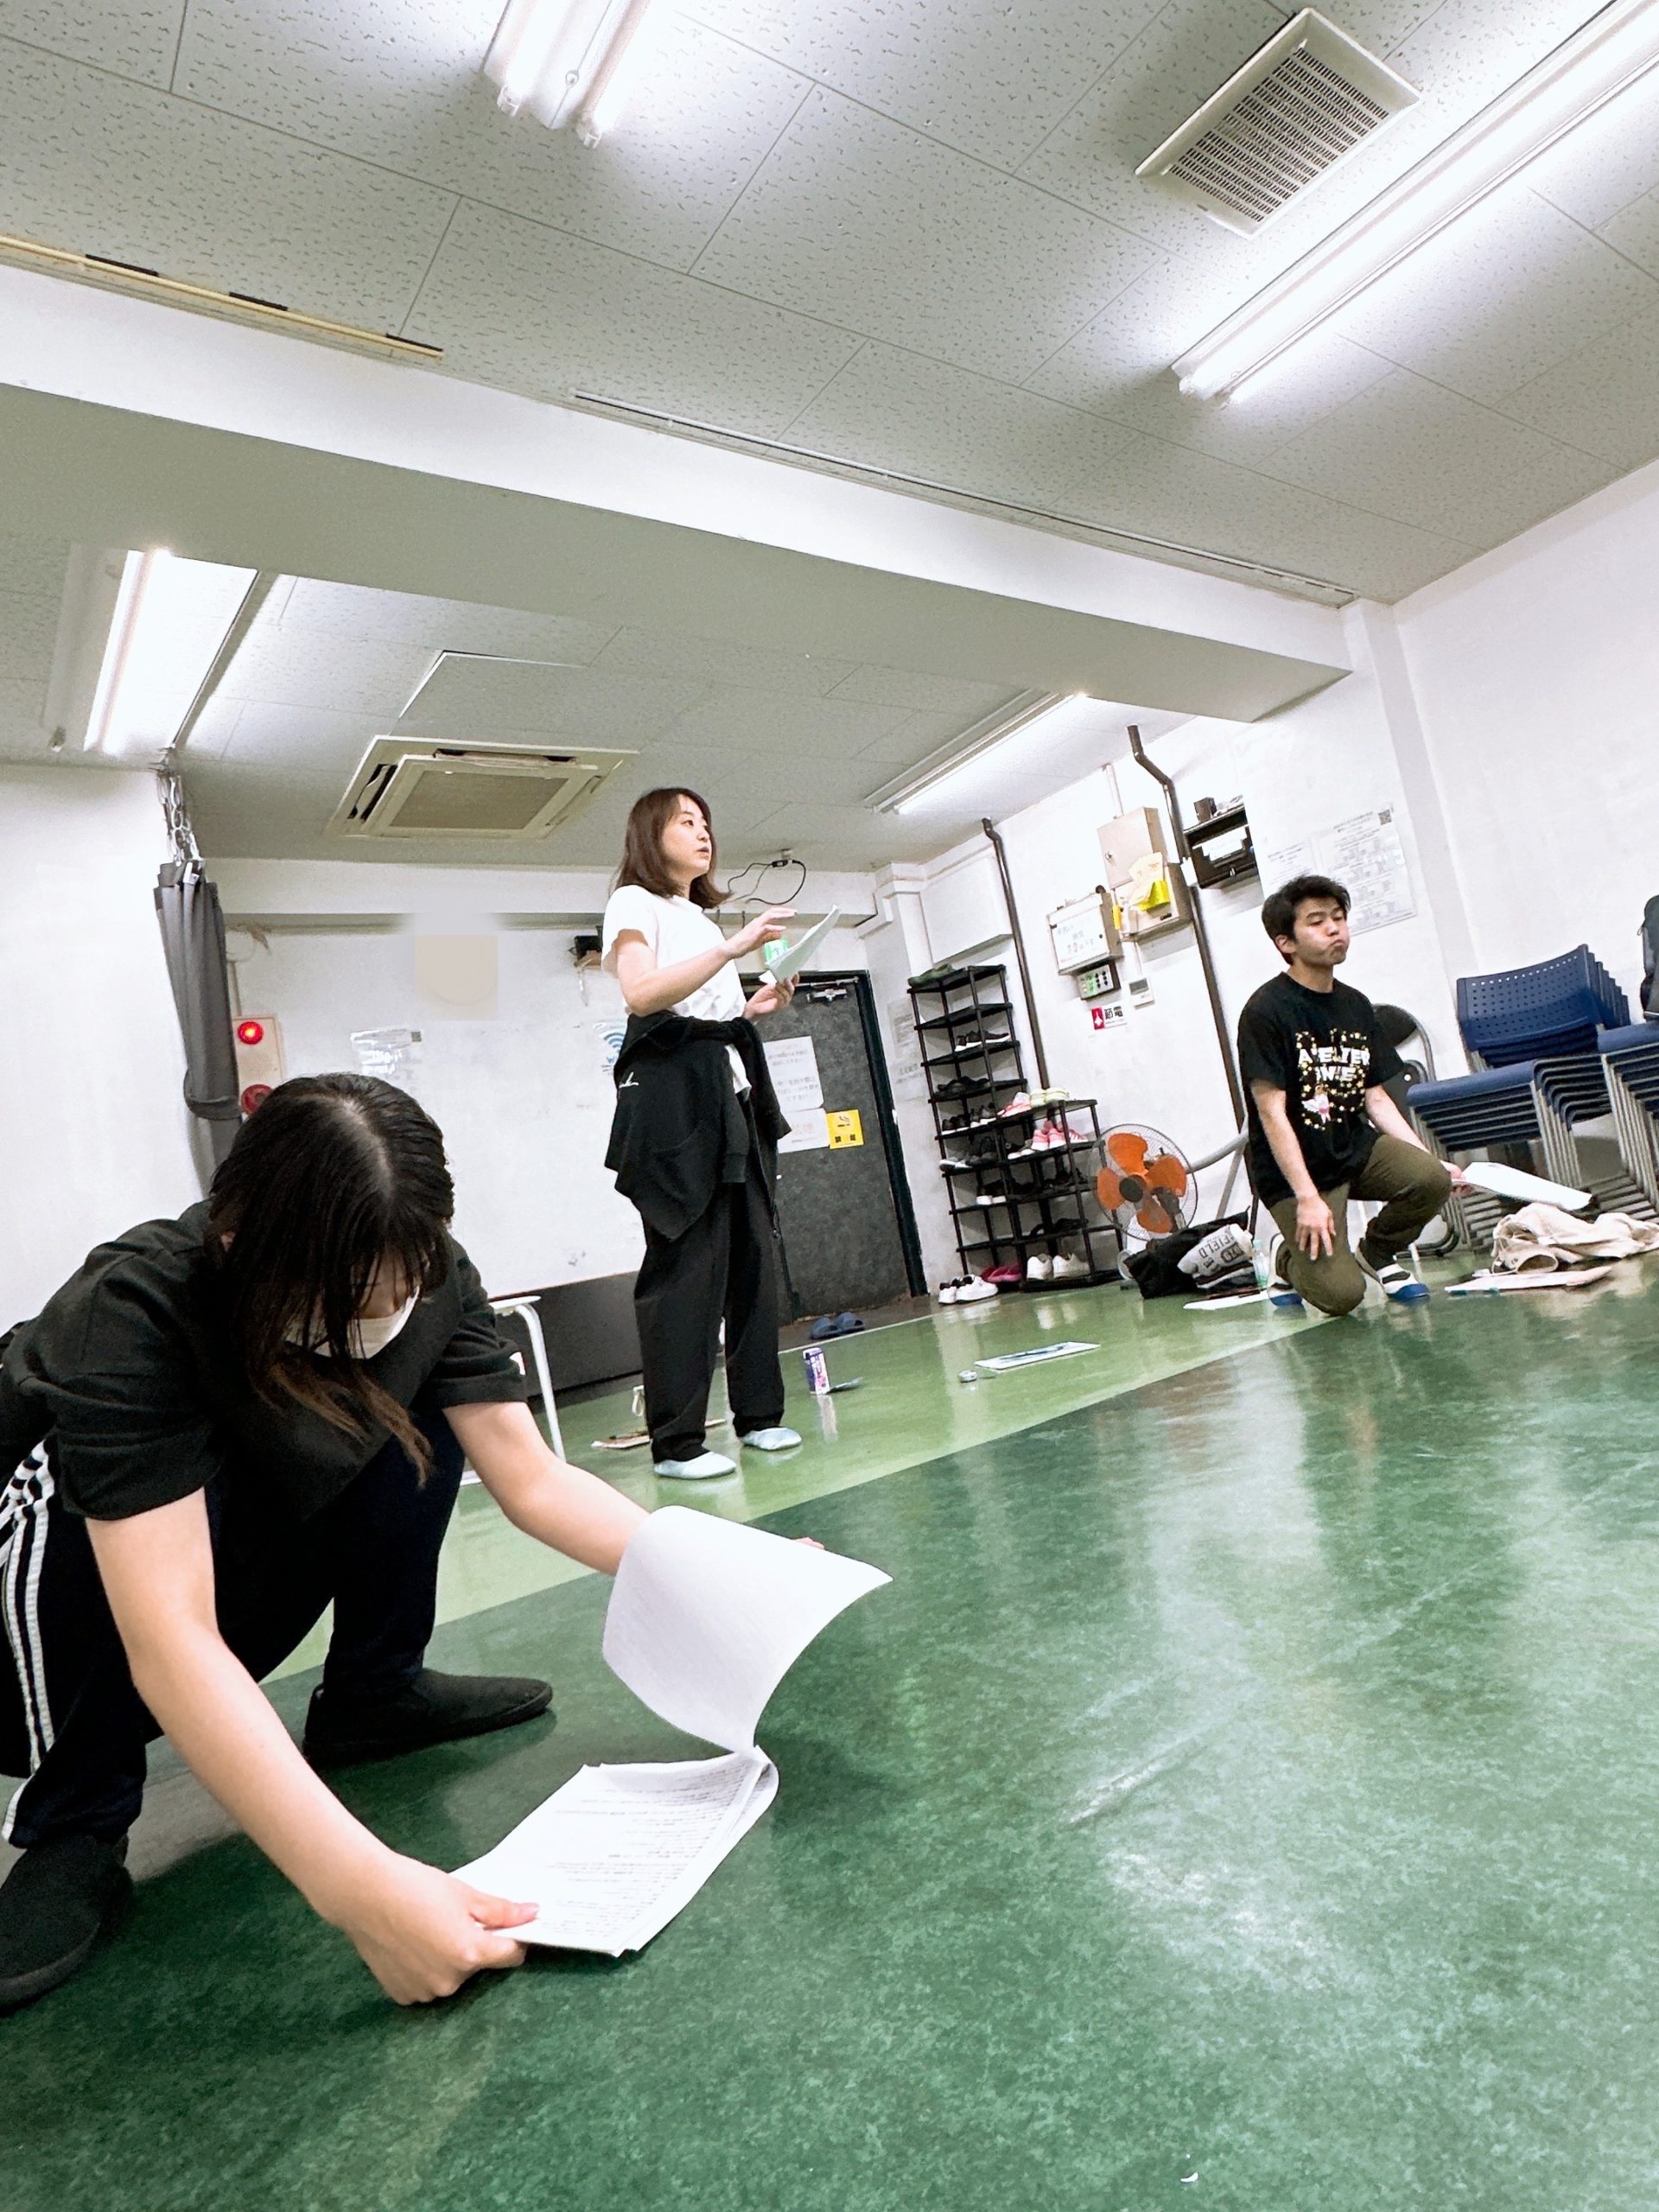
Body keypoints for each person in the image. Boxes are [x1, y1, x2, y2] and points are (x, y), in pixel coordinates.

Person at [0, 1074, 652, 2010]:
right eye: (350, 1294)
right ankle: (75, 1822)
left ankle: (373, 1693)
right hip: (40, 1620)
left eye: (404, 1284)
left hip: (225, 1566)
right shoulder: (135, 1311)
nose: (385, 1311)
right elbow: (169, 1632)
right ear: (240, 1242)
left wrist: (711, 1563)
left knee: (415, 1403)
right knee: (90, 1486)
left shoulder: (429, 1272)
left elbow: (533, 1478)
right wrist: (362, 1892)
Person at [602, 788, 803, 1479]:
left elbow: (705, 1015)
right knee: (686, 1268)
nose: (702, 832)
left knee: (752, 1257)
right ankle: (677, 1443)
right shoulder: (633, 902)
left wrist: (754, 1008)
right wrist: (736, 946)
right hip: (676, 1106)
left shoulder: (695, 917)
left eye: (706, 821)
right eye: (685, 821)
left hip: (729, 1094)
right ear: (650, 835)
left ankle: (760, 1417)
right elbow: (641, 995)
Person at [1237, 874, 1459, 1316]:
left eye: (1339, 918)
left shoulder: (1355, 1005)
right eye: (1317, 922)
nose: (1335, 929)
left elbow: (1375, 1098)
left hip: (1353, 1150)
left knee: (1431, 1178)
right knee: (1341, 1296)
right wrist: (1306, 1198)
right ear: (1286, 942)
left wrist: (1431, 1161)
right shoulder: (1265, 1011)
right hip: (1296, 1173)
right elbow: (1271, 1113)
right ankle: (1287, 1259)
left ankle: (1376, 1253)